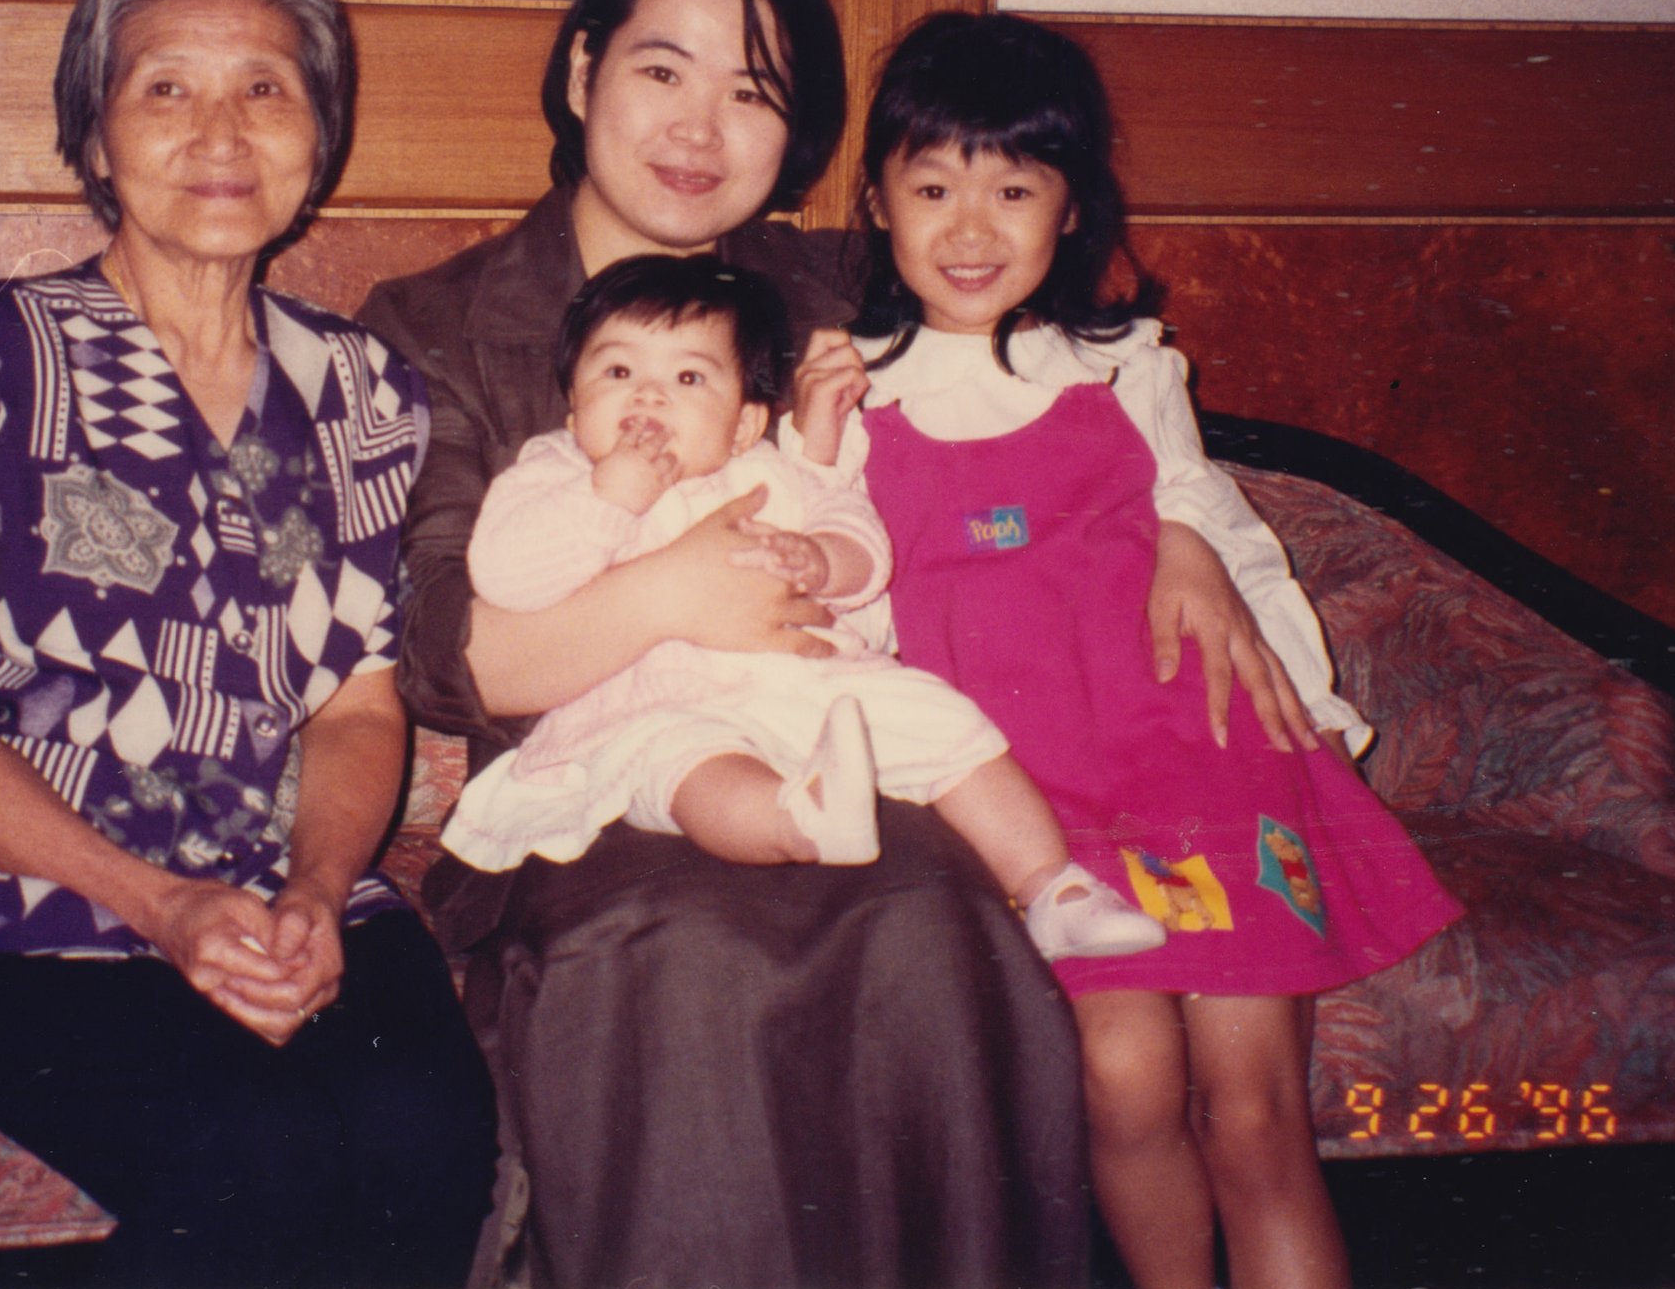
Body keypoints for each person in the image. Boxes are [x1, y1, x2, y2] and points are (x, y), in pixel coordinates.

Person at [357, 0, 1301, 1289]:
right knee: (681, 958)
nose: (699, 127)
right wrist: (676, 595)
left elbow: (1072, 386)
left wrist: (1186, 530)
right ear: (579, 76)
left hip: (856, 756)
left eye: (753, 93)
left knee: (938, 919)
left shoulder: (839, 284)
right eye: (662, 70)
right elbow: (448, 653)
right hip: (608, 806)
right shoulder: (439, 324)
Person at [0, 0, 496, 1289]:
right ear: (97, 136)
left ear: (318, 140)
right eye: (166, 89)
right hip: (11, 903)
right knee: (265, 1150)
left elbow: (358, 704)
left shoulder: (364, 392)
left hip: (293, 895)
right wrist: (161, 904)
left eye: (266, 90)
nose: (220, 131)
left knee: (432, 1134)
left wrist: (306, 889)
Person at [799, 9, 1464, 1289]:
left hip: (1200, 764)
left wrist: (1286, 683)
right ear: (877, 203)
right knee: (1125, 1078)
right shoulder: (851, 391)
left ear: (1069, 211)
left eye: (1013, 188)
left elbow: (1212, 524)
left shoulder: (1123, 367)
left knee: (1256, 1115)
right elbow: (840, 602)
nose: (972, 228)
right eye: (931, 188)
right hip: (1035, 806)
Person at [445, 252, 1166, 970]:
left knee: (946, 723)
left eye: (689, 377)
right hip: (651, 702)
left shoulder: (768, 470)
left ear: (741, 425)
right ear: (574, 412)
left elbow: (863, 543)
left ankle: (1050, 886)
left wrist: (822, 557)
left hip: (805, 687)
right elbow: (507, 575)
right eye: (618, 372)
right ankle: (797, 819)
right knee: (688, 767)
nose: (650, 398)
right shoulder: (558, 472)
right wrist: (609, 497)